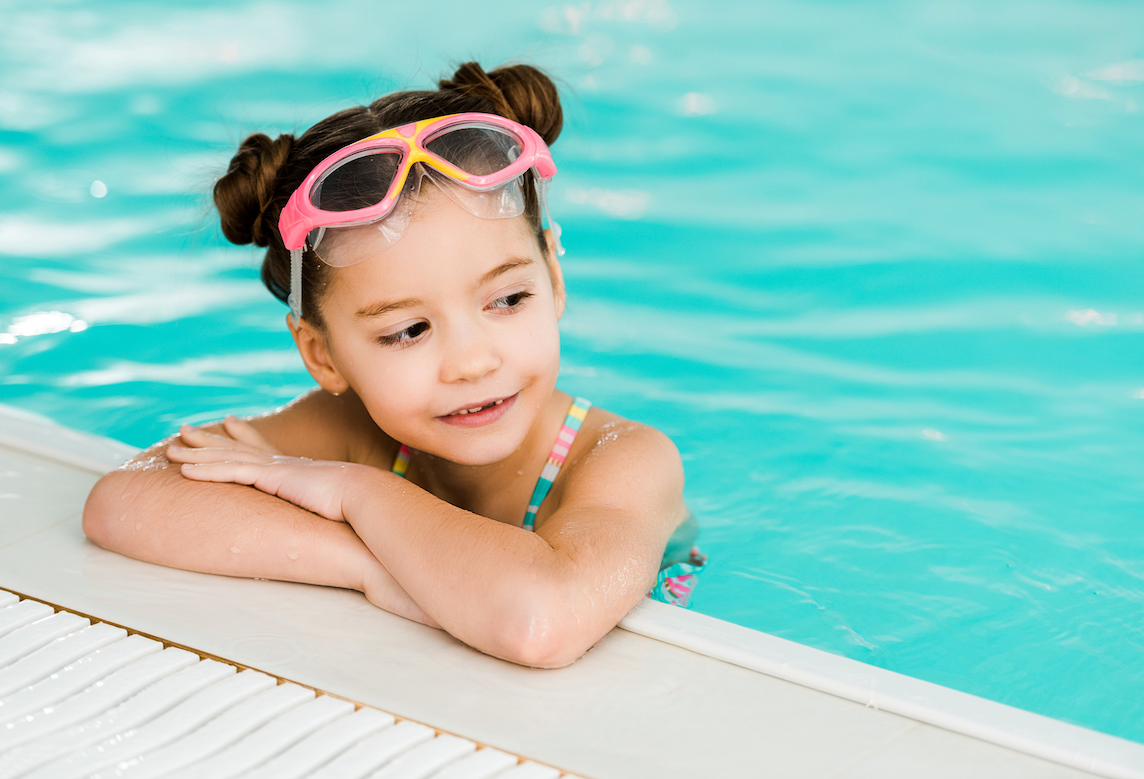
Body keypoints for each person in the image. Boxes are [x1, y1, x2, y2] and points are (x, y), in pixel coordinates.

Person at [82, 61, 705, 668]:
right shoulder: (353, 429)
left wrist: (356, 490)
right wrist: (368, 563)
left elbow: (540, 621)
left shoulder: (624, 459)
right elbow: (123, 500)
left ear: (555, 278)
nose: (471, 362)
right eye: (408, 331)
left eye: (508, 299)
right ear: (322, 356)